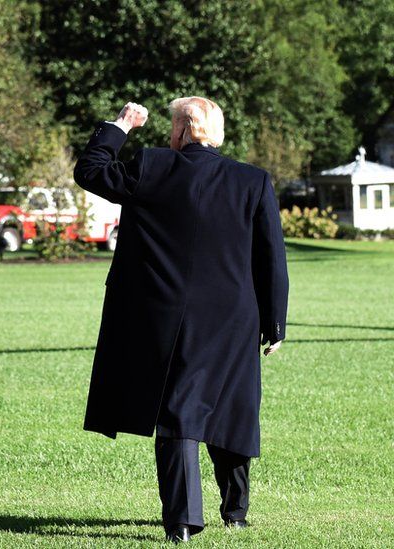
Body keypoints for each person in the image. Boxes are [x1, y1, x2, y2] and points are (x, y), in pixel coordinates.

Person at [73, 97, 289, 543]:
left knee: (178, 416)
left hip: (166, 318)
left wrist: (122, 125)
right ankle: (236, 513)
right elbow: (271, 258)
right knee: (233, 410)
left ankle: (184, 521)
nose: (169, 134)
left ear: (184, 131)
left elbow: (90, 170)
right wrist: (275, 324)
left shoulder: (152, 168)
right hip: (234, 320)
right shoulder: (252, 180)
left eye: (173, 126)